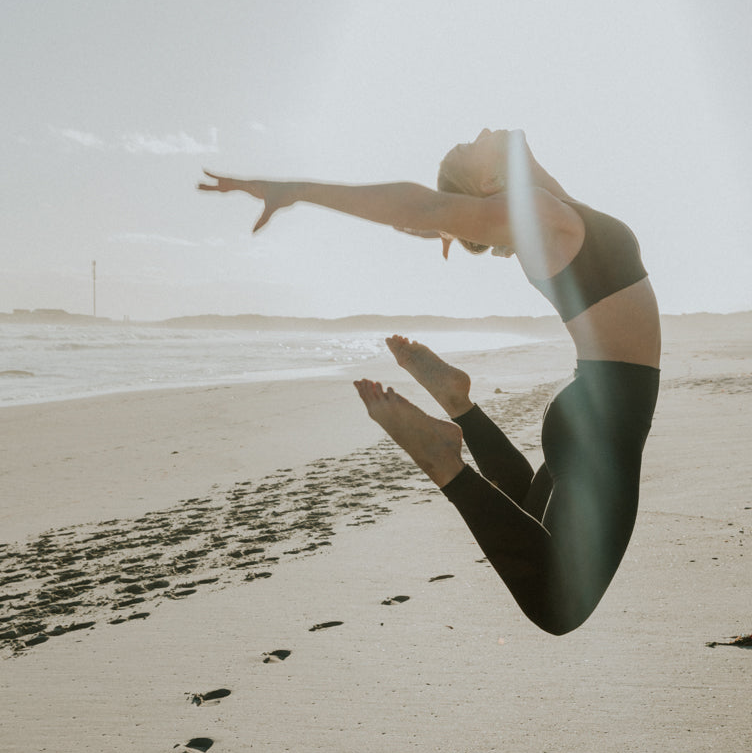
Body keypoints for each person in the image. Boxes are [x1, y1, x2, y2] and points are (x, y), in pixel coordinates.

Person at [199, 128, 659, 634]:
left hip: (593, 407)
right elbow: (418, 206)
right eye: (468, 146)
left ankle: (459, 406)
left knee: (529, 512)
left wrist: (485, 185)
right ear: (487, 181)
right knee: (556, 606)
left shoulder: (554, 211)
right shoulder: (543, 217)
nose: (478, 133)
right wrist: (298, 190)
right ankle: (446, 464)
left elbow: (476, 192)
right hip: (608, 415)